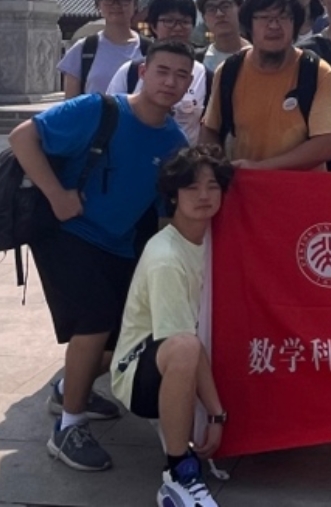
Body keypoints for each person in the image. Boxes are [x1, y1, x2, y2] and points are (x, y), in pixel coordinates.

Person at [8, 40, 196, 472]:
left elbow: (165, 211)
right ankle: (69, 427)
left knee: (125, 335)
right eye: (163, 71)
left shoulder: (173, 140)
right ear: (143, 71)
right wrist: (56, 194)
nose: (170, 82)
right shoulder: (99, 109)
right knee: (94, 322)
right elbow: (22, 137)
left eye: (181, 75)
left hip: (120, 243)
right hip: (66, 232)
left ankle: (69, 390)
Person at [111, 146, 230, 507]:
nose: (204, 195)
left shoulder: (214, 237)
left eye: (212, 186)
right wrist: (216, 414)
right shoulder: (167, 257)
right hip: (139, 373)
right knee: (184, 347)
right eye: (192, 187)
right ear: (174, 195)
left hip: (183, 349)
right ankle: (178, 471)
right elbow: (184, 343)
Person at [200, 0, 331, 171]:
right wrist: (218, 167)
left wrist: (261, 168)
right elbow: (210, 128)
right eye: (264, 17)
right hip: (244, 185)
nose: (274, 26)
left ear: (295, 25)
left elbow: (327, 145)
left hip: (302, 187)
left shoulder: (317, 72)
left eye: (283, 17)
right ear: (249, 24)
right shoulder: (229, 70)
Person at [109, 0, 207, 143]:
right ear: (154, 26)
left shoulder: (205, 76)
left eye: (184, 22)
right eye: (169, 21)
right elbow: (111, 113)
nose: (177, 28)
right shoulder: (130, 72)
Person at [59, 0, 148, 98]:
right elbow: (71, 103)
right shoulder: (84, 49)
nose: (116, 5)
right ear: (98, 5)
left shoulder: (149, 50)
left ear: (135, 5)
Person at [195, 0, 249, 74]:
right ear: (204, 18)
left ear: (240, 10)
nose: (219, 14)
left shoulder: (259, 56)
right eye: (211, 9)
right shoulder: (196, 61)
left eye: (225, 6)